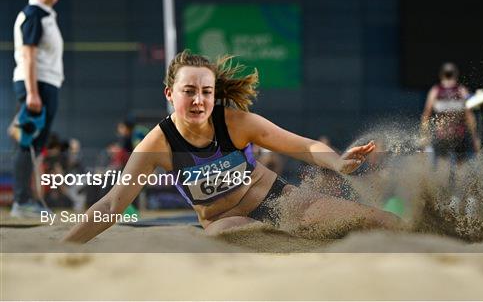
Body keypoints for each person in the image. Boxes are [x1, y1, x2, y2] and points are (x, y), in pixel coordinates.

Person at [63, 50, 400, 243]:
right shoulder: (157, 144)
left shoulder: (236, 122)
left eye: (206, 92)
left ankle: (432, 232)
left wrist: (337, 163)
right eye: (188, 91)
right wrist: (66, 246)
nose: (198, 100)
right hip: (224, 221)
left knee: (375, 221)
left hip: (280, 200)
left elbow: (304, 147)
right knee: (224, 238)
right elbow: (112, 203)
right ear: (170, 94)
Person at [9, 0, 64, 218]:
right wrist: (32, 93)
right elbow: (28, 55)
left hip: (46, 83)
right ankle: (22, 202)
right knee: (27, 144)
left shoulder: (46, 15)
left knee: (35, 144)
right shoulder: (34, 14)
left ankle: (27, 200)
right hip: (37, 84)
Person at [421, 62, 480, 164]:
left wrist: (424, 135)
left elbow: (426, 115)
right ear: (455, 74)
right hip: (456, 135)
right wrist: (475, 137)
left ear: (441, 75)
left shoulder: (435, 91)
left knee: (445, 166)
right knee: (460, 166)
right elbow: (469, 115)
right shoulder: (461, 90)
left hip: (444, 135)